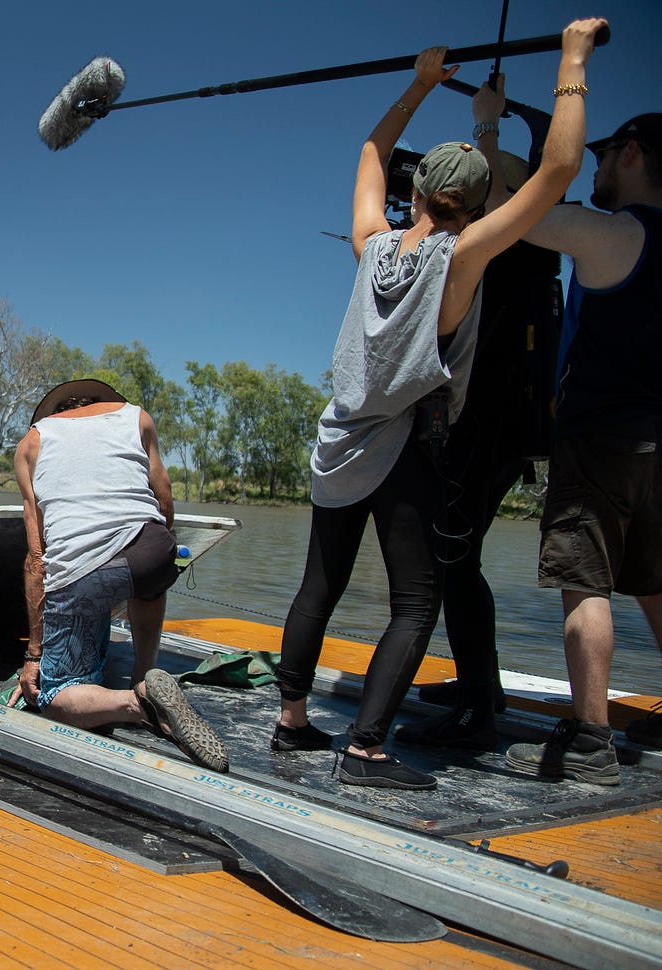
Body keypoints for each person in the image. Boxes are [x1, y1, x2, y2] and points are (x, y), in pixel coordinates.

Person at [273, 21, 605, 791]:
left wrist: (422, 84)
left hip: (338, 442)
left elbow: (368, 155)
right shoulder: (463, 260)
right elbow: (556, 173)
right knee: (416, 602)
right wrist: (572, 62)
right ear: (477, 206)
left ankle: (291, 724)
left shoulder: (371, 244)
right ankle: (365, 751)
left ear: (415, 194)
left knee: (318, 586)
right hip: (404, 451)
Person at [491, 109, 662, 785]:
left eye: (604, 155)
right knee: (654, 580)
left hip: (600, 436)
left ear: (631, 155)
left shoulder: (615, 233)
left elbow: (513, 214)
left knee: (583, 583)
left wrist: (487, 135)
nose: (594, 169)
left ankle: (591, 741)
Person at [396, 153, 560, 750]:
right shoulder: (529, 254)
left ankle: (476, 710)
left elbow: (540, 178)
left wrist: (486, 126)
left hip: (487, 429)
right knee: (459, 561)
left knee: (455, 564)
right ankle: (479, 687)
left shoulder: (516, 239)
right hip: (501, 428)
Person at [9, 379, 228, 773]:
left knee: (55, 695)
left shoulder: (31, 444)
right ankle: (145, 673)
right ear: (101, 403)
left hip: (84, 574)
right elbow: (164, 498)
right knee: (147, 579)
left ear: (54, 414)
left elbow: (37, 556)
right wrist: (163, 552)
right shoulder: (137, 418)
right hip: (153, 550)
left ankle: (138, 703)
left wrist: (33, 654)